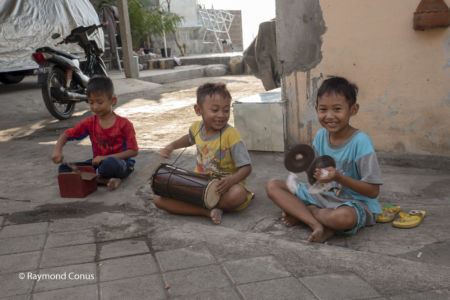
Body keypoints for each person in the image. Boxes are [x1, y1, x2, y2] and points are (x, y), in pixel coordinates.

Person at [266, 76, 383, 243]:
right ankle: (317, 225)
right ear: (316, 109)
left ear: (353, 109)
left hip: (353, 203)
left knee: (342, 219)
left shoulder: (361, 142)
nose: (329, 116)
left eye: (337, 109)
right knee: (273, 186)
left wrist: (338, 177)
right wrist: (303, 166)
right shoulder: (321, 136)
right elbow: (315, 176)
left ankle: (303, 213)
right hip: (323, 194)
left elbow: (373, 191)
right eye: (323, 110)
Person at [155, 82, 253, 224]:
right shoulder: (196, 128)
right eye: (215, 110)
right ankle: (207, 211)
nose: (221, 115)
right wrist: (171, 146)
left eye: (226, 110)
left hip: (224, 188)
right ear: (198, 110)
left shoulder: (231, 135)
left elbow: (246, 167)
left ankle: (213, 206)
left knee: (238, 195)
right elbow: (188, 139)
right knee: (159, 199)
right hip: (198, 184)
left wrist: (231, 181)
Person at [51, 76, 138, 191]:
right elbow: (66, 135)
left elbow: (133, 151)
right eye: (91, 102)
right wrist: (57, 150)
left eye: (99, 102)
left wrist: (104, 157)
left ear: (113, 100)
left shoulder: (124, 124)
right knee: (64, 169)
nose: (95, 107)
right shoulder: (90, 123)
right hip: (98, 163)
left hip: (121, 164)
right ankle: (107, 180)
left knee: (109, 164)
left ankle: (95, 178)